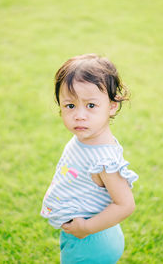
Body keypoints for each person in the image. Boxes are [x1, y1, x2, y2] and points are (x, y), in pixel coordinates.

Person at [40, 53, 138, 264]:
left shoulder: (103, 160)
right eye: (70, 106)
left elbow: (126, 204)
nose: (79, 115)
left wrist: (85, 228)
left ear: (112, 106)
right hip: (87, 234)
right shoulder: (85, 139)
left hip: (91, 240)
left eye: (91, 106)